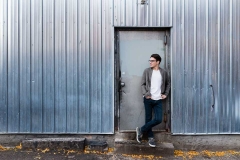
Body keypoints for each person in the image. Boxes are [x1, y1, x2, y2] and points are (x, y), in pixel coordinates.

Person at [136, 54, 170, 147]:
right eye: (149, 60)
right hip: (148, 99)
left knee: (158, 119)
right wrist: (146, 94)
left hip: (158, 99)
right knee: (148, 119)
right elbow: (142, 84)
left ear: (158, 62)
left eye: (152, 60)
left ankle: (141, 130)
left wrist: (165, 94)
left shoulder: (163, 72)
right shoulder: (147, 71)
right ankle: (151, 138)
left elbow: (168, 84)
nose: (150, 62)